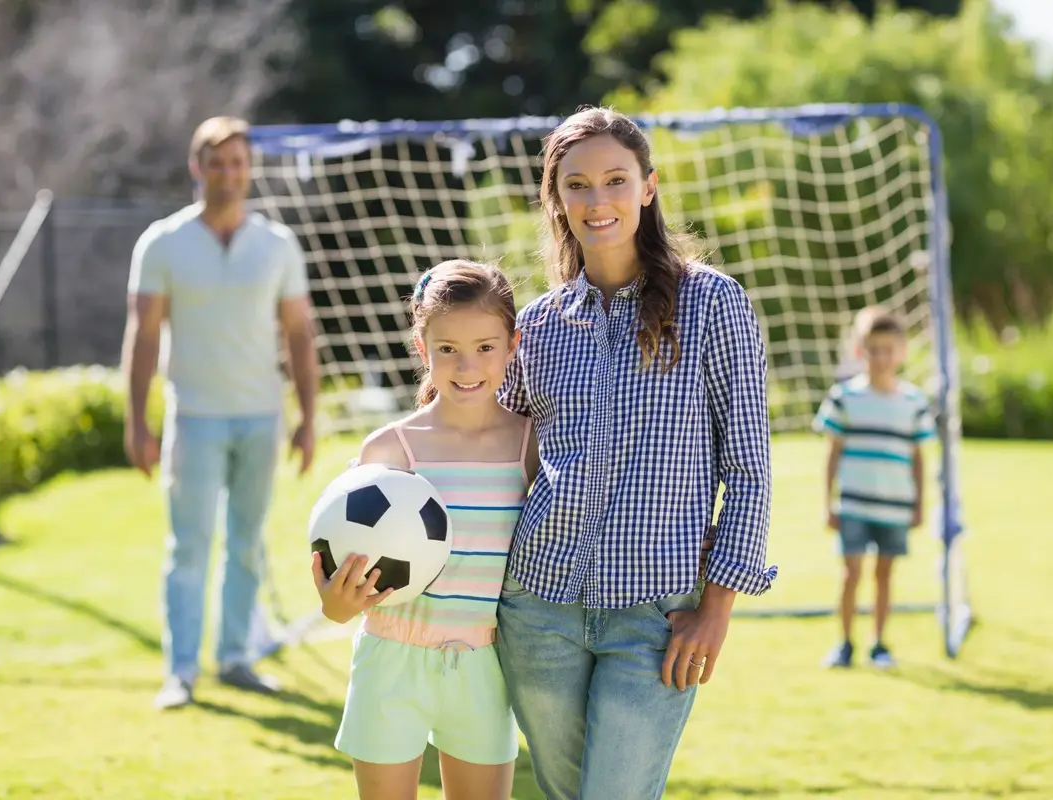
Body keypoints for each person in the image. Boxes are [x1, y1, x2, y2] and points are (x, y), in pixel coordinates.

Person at [493, 106, 777, 800]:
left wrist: (717, 608)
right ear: (556, 199)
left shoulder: (712, 304)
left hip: (655, 618)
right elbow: (495, 448)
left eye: (615, 180)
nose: (598, 202)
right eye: (578, 185)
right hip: (537, 609)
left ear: (648, 187)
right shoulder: (537, 325)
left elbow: (748, 465)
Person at [312, 260, 536, 800]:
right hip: (391, 659)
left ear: (513, 345)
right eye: (447, 349)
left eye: (485, 347)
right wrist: (336, 606)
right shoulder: (389, 451)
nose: (467, 366)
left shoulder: (530, 445)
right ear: (422, 347)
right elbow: (338, 588)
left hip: (483, 666)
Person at [122, 115, 319, 710]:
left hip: (261, 417)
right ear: (197, 168)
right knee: (189, 546)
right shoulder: (162, 242)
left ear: (248, 170)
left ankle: (235, 657)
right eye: (217, 163)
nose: (228, 173)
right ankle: (180, 672)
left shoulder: (277, 244)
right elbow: (143, 336)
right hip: (195, 417)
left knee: (248, 542)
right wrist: (137, 422)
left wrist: (308, 416)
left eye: (237, 163)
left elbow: (300, 336)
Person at [812, 308, 935, 669]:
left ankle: (879, 644)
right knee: (851, 573)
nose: (881, 357)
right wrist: (827, 502)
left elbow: (918, 459)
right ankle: (844, 644)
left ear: (901, 352)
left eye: (888, 349)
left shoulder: (914, 403)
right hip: (852, 504)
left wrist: (919, 505)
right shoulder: (843, 397)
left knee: (884, 575)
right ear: (860, 351)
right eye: (873, 349)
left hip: (894, 506)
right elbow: (831, 454)